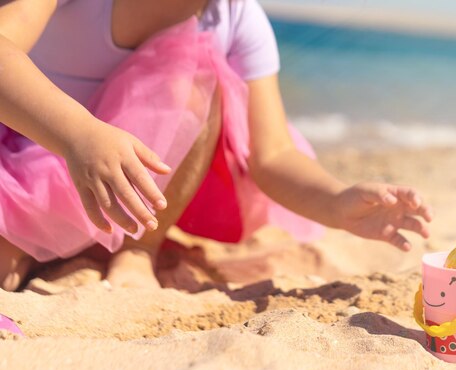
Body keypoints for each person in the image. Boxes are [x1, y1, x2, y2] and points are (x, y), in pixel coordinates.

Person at [0, 0, 432, 291]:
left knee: (196, 77)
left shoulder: (238, 17)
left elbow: (274, 155)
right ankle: (39, 244)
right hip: (33, 145)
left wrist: (336, 202)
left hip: (137, 187)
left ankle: (136, 250)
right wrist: (79, 135)